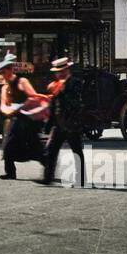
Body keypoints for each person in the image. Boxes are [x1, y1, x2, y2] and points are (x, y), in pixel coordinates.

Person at [0, 54, 47, 180]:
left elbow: (33, 97)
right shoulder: (5, 88)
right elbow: (3, 104)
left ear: (10, 69)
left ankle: (48, 164)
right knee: (8, 145)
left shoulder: (22, 82)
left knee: (34, 146)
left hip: (26, 119)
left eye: (4, 71)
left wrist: (21, 106)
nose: (3, 75)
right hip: (13, 119)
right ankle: (10, 172)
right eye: (1, 73)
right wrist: (7, 111)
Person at [40, 57, 85, 187]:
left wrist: (60, 91)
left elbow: (75, 103)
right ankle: (47, 177)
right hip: (58, 124)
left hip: (72, 124)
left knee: (77, 152)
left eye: (60, 71)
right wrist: (49, 124)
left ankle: (80, 180)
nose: (57, 73)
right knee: (50, 150)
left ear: (66, 70)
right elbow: (53, 107)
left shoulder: (75, 82)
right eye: (56, 71)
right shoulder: (57, 85)